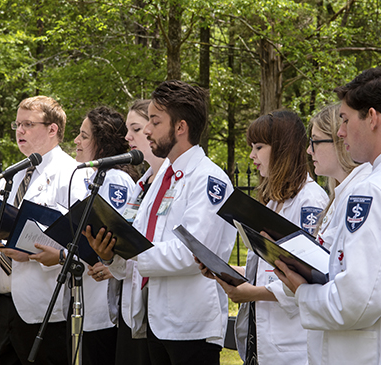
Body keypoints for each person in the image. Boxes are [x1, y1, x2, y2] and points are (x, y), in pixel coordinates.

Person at [275, 68, 381, 364]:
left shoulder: (374, 190)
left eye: (346, 120)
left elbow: (357, 301)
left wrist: (302, 291)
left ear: (372, 118)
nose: (340, 132)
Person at [87, 80, 236, 365]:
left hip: (189, 328)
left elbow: (192, 253)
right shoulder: (160, 180)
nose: (146, 130)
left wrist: (130, 252)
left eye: (155, 122)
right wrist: (111, 255)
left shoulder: (208, 179)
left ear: (180, 127)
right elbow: (139, 240)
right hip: (153, 321)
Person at [0, 96, 88, 365]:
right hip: (4, 303)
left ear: (52, 129)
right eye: (17, 124)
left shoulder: (71, 174)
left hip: (44, 307)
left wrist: (33, 254)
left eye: (28, 124)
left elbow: (80, 243)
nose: (20, 131)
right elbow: (3, 235)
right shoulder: (14, 174)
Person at [203, 110, 328, 364]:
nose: (252, 156)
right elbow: (267, 269)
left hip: (292, 347)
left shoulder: (310, 201)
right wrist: (225, 270)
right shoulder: (274, 203)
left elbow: (308, 278)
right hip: (264, 342)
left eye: (259, 147)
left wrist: (251, 293)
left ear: (282, 149)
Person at [33, 106, 137, 365]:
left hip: (104, 306)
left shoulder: (116, 180)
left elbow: (112, 239)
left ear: (102, 142)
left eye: (84, 135)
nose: (76, 141)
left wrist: (61, 255)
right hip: (84, 302)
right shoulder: (94, 178)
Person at [89, 99, 164, 365]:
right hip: (132, 307)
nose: (127, 137)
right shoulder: (141, 185)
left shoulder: (173, 181)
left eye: (135, 128)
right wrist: (109, 255)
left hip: (163, 311)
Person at [305, 104, 372, 364]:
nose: (308, 150)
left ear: (340, 141)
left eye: (315, 142)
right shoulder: (339, 196)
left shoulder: (362, 194)